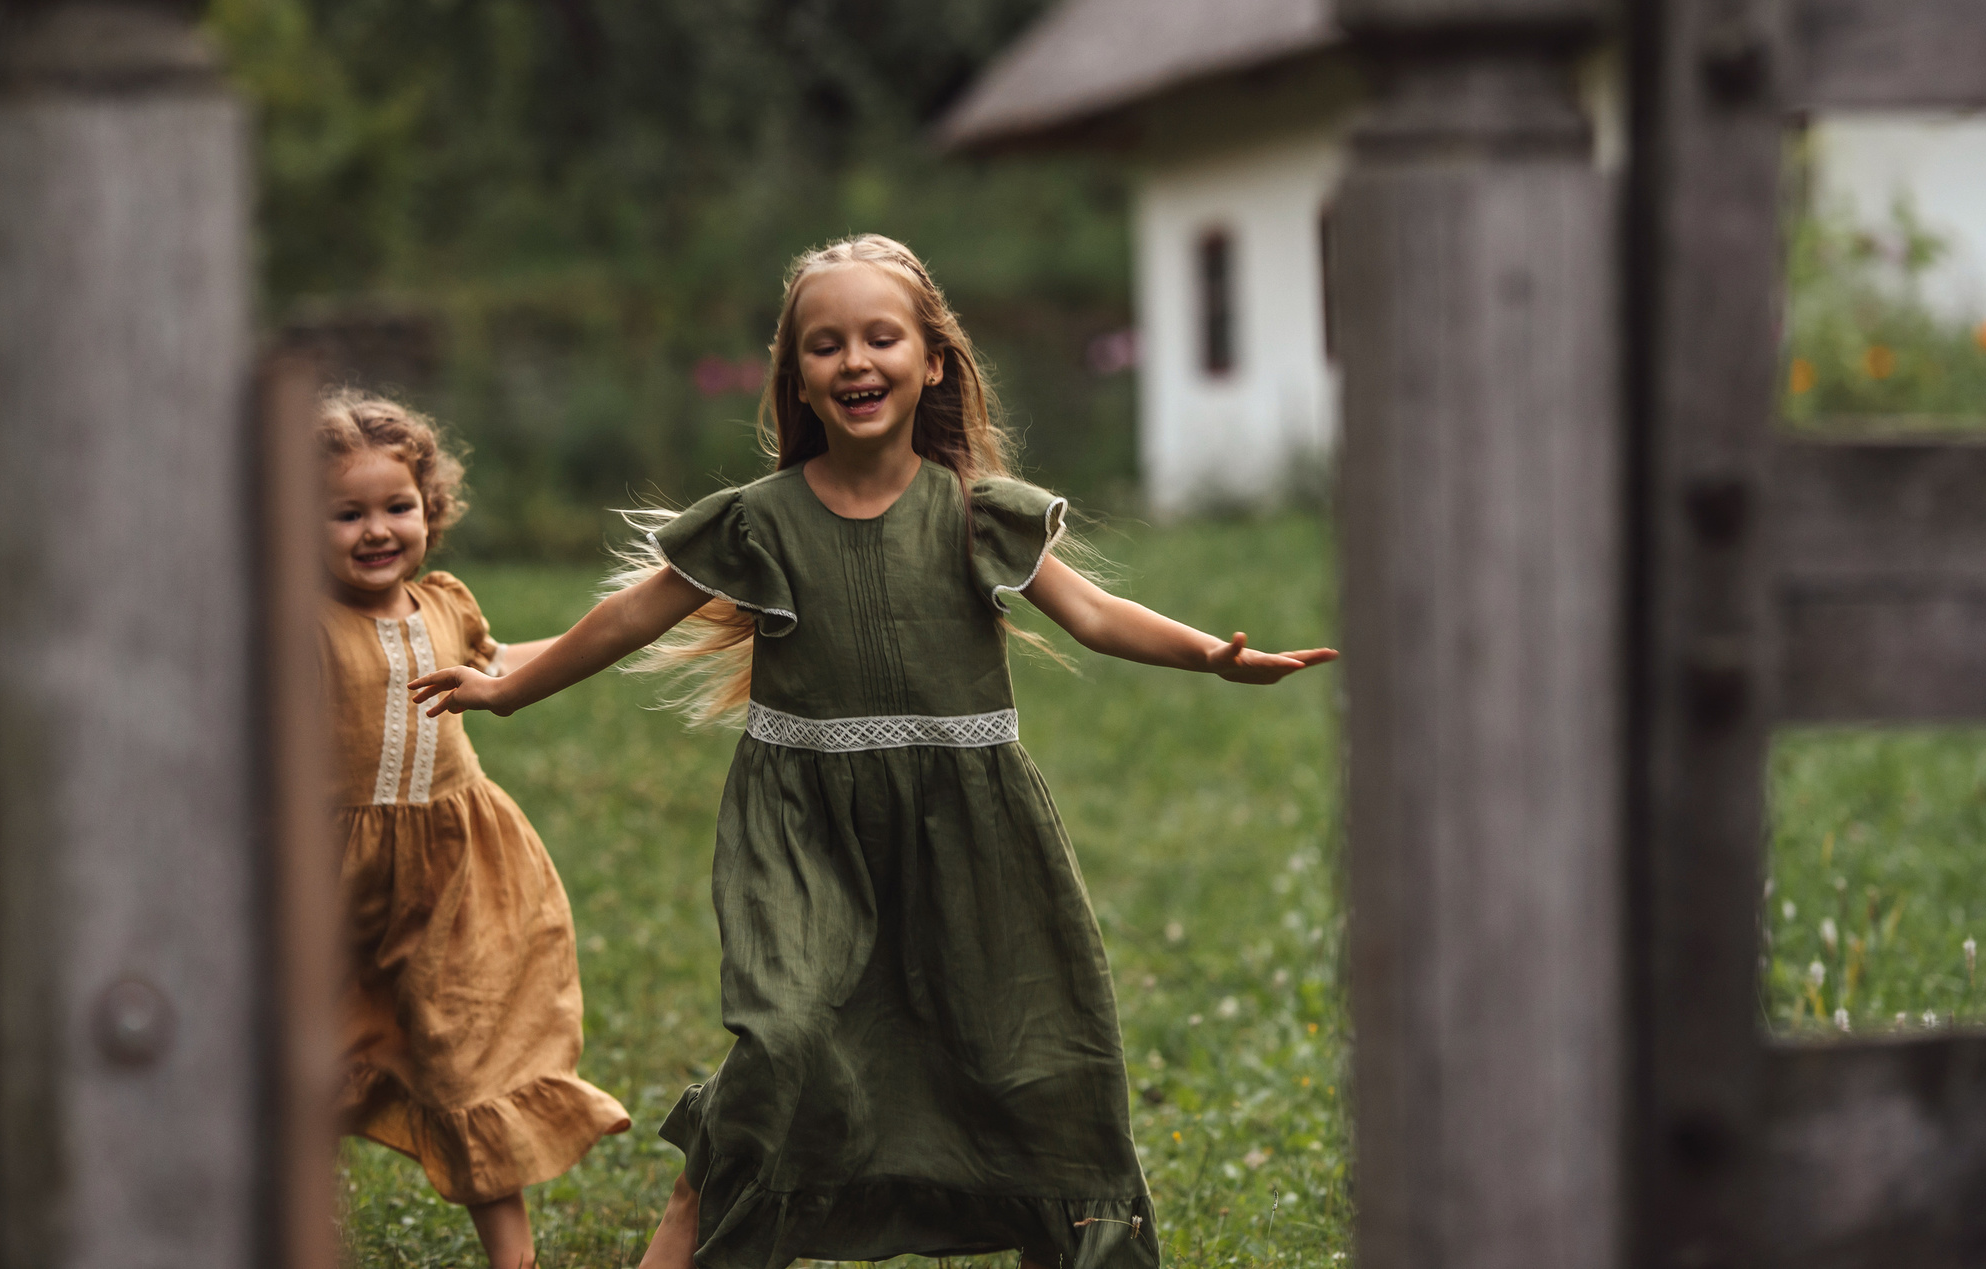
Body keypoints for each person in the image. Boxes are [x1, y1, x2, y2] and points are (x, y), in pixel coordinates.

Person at [406, 237, 1335, 1269]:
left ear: (932, 360)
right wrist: (507, 686)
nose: (855, 360)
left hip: (972, 823)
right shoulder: (759, 520)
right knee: (786, 1033)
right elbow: (628, 616)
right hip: (803, 823)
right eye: (825, 344)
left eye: (880, 337)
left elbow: (1097, 615)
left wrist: (1212, 655)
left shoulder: (978, 513)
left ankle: (1076, 1242)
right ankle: (700, 1208)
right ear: (796, 375)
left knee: (1028, 1047)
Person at [316, 390, 630, 1269]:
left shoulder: (446, 604)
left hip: (455, 872)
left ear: (430, 509)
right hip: (328, 884)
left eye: (397, 506)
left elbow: (500, 667)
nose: (377, 529)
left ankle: (514, 1259)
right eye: (346, 513)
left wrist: (609, 632)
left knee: (471, 1052)